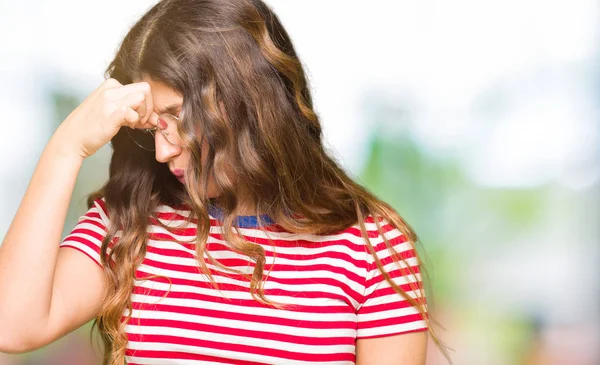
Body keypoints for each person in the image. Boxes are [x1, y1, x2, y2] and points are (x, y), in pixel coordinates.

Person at [0, 0, 451, 364]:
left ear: (245, 102)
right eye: (155, 127)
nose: (162, 150)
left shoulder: (371, 247)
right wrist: (67, 147)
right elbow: (12, 325)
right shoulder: (132, 220)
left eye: (177, 118)